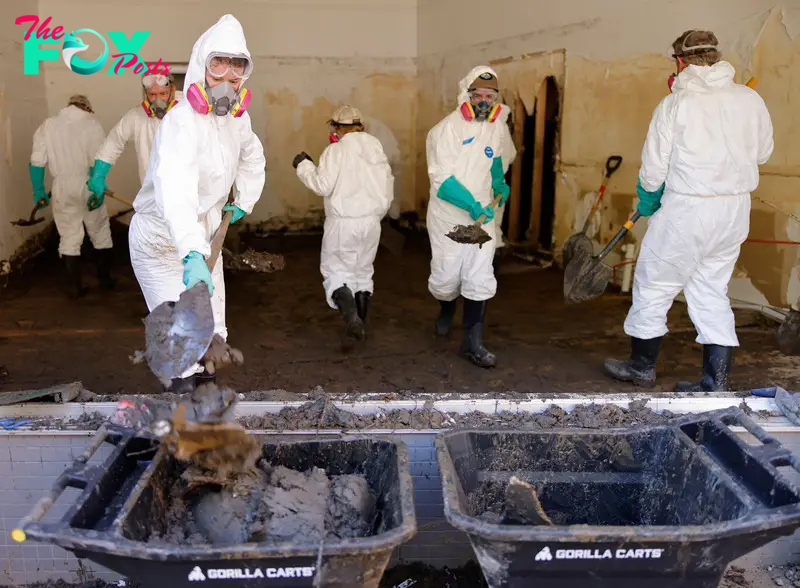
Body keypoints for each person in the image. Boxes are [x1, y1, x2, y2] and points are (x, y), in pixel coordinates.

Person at [604, 30, 774, 391]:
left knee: (655, 283)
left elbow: (653, 170)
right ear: (715, 58)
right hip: (733, 210)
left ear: (680, 62)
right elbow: (762, 154)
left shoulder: (674, 105)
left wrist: (648, 197)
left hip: (687, 209)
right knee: (711, 288)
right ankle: (716, 381)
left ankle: (641, 366)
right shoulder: (749, 98)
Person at [128, 14, 266, 391]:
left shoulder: (238, 120)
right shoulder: (180, 123)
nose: (227, 77)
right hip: (160, 240)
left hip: (203, 237)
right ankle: (184, 422)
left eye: (237, 66)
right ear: (200, 66)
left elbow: (253, 157)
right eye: (218, 64)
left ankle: (204, 407)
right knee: (181, 342)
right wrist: (190, 253)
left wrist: (244, 201)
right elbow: (175, 189)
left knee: (211, 336)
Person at [425, 65, 515, 368]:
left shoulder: (495, 128)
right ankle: (446, 308)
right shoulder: (445, 130)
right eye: (478, 94)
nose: (485, 101)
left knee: (479, 274)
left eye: (490, 95)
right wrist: (471, 206)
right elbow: (441, 180)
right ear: (466, 94)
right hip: (449, 215)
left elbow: (495, 159)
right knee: (446, 277)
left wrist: (500, 183)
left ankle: (472, 342)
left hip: (482, 213)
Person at [292, 105, 394, 348]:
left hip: (343, 223)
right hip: (371, 223)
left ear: (337, 128)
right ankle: (361, 325)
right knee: (363, 272)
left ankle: (351, 319)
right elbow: (388, 186)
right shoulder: (376, 149)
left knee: (336, 272)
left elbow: (322, 185)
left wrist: (304, 166)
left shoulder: (335, 150)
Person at [29, 94, 113, 298]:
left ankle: (75, 287)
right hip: (88, 182)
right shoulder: (91, 124)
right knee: (99, 230)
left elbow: (37, 161)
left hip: (61, 186)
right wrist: (98, 189)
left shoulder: (48, 125)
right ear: (87, 108)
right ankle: (105, 280)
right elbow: (99, 159)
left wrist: (39, 190)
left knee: (69, 234)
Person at [87, 73, 178, 209]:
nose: (157, 100)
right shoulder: (136, 116)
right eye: (152, 95)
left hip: (185, 194)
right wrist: (99, 174)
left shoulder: (187, 112)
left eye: (163, 94)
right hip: (152, 196)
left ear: (173, 91)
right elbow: (114, 141)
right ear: (145, 93)